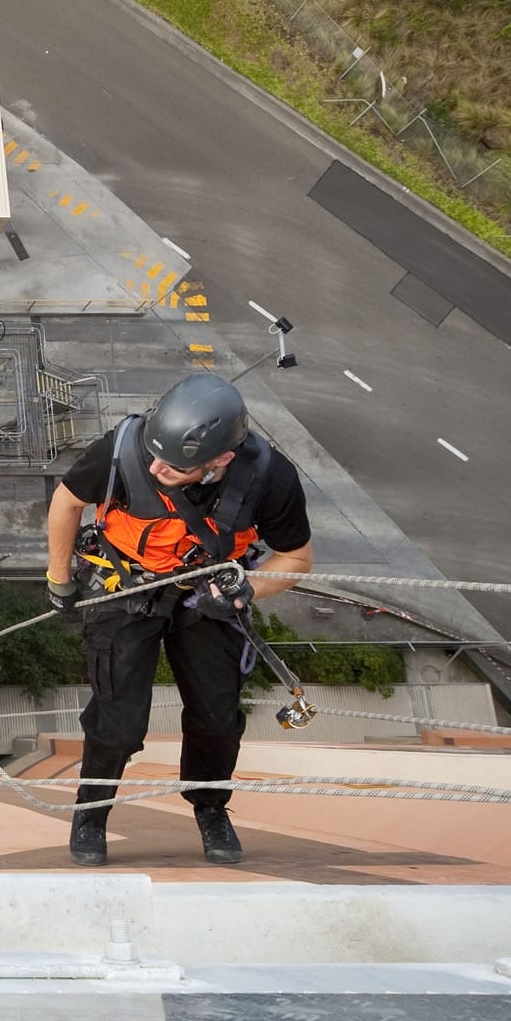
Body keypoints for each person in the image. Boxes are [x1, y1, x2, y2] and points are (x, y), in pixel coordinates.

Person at [43, 372, 312, 867]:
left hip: (209, 593)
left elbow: (296, 558)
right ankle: (91, 811)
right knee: (118, 721)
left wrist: (245, 588)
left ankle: (210, 807)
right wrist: (59, 579)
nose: (156, 467)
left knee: (216, 717)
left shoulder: (268, 477)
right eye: (155, 454)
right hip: (126, 585)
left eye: (175, 465)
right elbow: (68, 499)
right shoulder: (124, 449)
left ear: (221, 460)